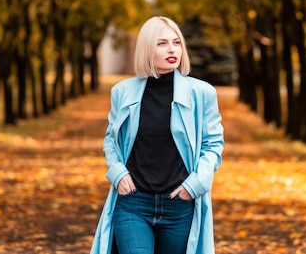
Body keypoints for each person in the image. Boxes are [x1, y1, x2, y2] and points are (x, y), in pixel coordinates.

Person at [90, 16, 225, 254]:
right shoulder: (122, 92)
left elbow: (213, 145)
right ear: (146, 49)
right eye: (162, 43)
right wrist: (118, 173)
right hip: (133, 204)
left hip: (180, 206)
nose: (172, 49)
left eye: (176, 42)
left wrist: (195, 184)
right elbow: (112, 140)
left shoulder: (202, 93)